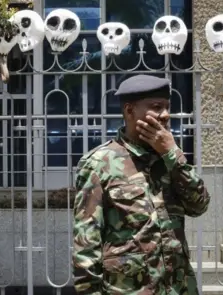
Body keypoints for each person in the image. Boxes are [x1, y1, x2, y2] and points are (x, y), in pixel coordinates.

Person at [71, 74, 211, 294]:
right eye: (156, 107)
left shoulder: (170, 158)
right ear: (129, 111)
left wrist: (173, 154)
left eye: (167, 107)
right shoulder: (99, 164)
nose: (165, 115)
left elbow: (199, 205)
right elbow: (86, 245)